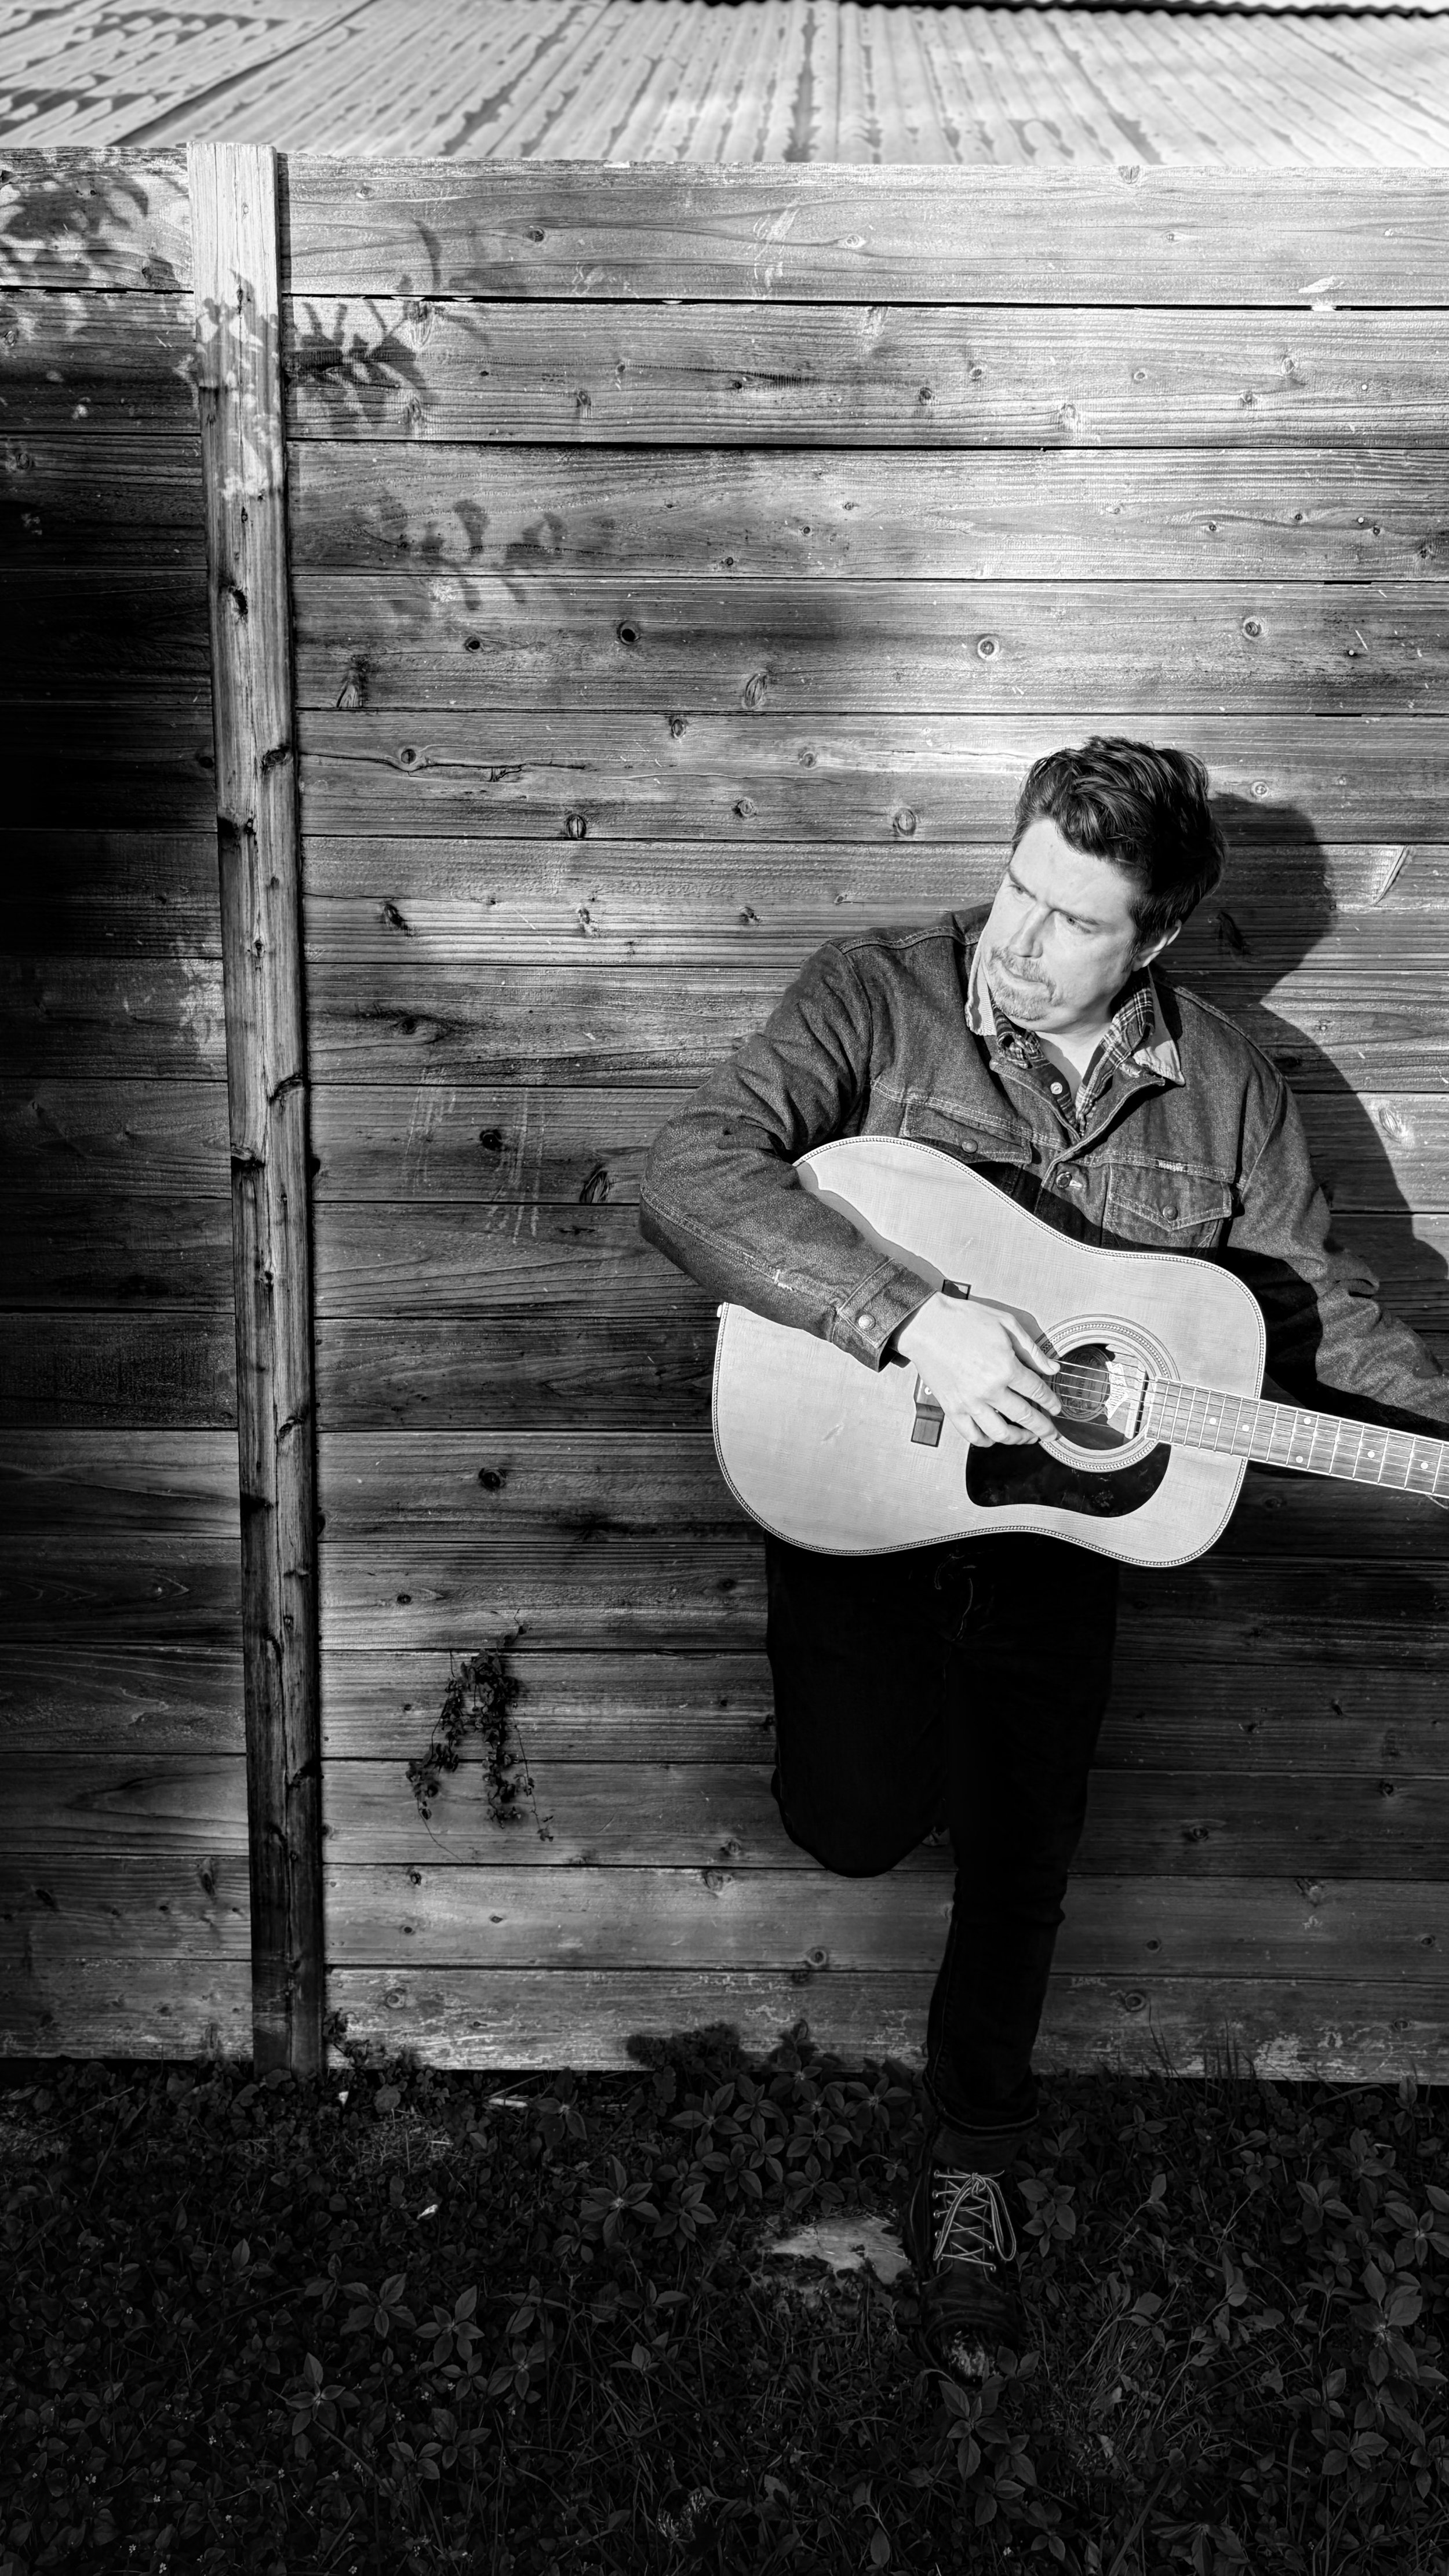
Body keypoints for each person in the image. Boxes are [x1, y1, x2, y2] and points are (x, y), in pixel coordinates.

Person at [638, 736, 1449, 2386]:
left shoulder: (1225, 1085)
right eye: (1015, 887)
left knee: (1021, 1860)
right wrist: (911, 1317)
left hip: (1061, 1532)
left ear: (1151, 941)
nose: (1015, 942)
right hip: (858, 1502)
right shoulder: (875, 996)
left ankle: (971, 2177)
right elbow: (685, 1174)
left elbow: (1311, 1317)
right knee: (858, 1824)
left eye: (1071, 921)